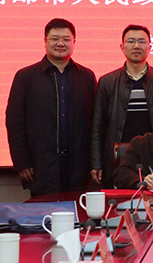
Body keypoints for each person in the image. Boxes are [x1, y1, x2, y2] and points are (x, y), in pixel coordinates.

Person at [6, 18, 96, 196]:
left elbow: (95, 123)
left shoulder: (86, 76)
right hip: (41, 166)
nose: (60, 44)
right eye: (55, 39)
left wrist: (95, 163)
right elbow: (15, 122)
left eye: (66, 39)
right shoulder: (26, 77)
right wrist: (21, 162)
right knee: (44, 212)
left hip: (78, 166)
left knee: (77, 211)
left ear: (74, 42)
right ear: (45, 41)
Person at [90, 24, 153, 188]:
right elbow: (98, 126)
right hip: (118, 155)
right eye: (131, 41)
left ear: (150, 47)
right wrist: (96, 162)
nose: (136, 46)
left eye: (142, 41)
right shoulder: (107, 82)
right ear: (122, 47)